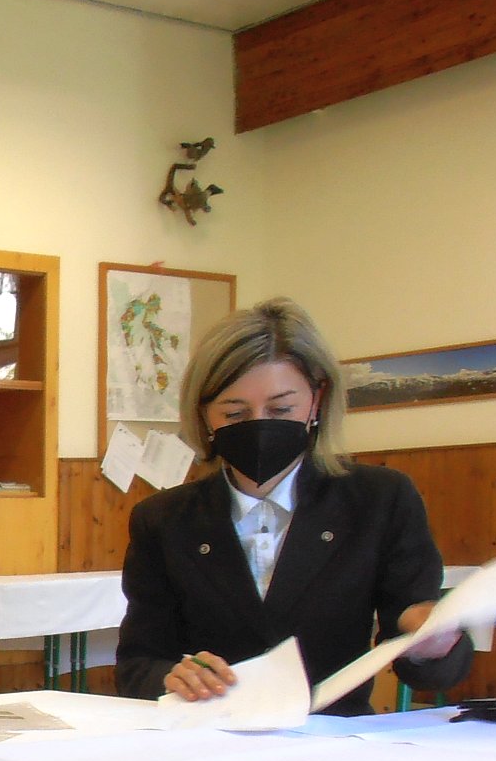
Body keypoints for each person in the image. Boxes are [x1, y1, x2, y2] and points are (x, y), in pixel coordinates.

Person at [115, 297, 471, 715]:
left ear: (317, 401)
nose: (259, 425)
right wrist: (172, 677)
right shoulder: (164, 519)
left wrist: (432, 643)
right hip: (210, 737)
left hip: (335, 738)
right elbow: (138, 664)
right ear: (204, 415)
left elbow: (425, 660)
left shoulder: (379, 500)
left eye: (281, 408)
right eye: (235, 413)